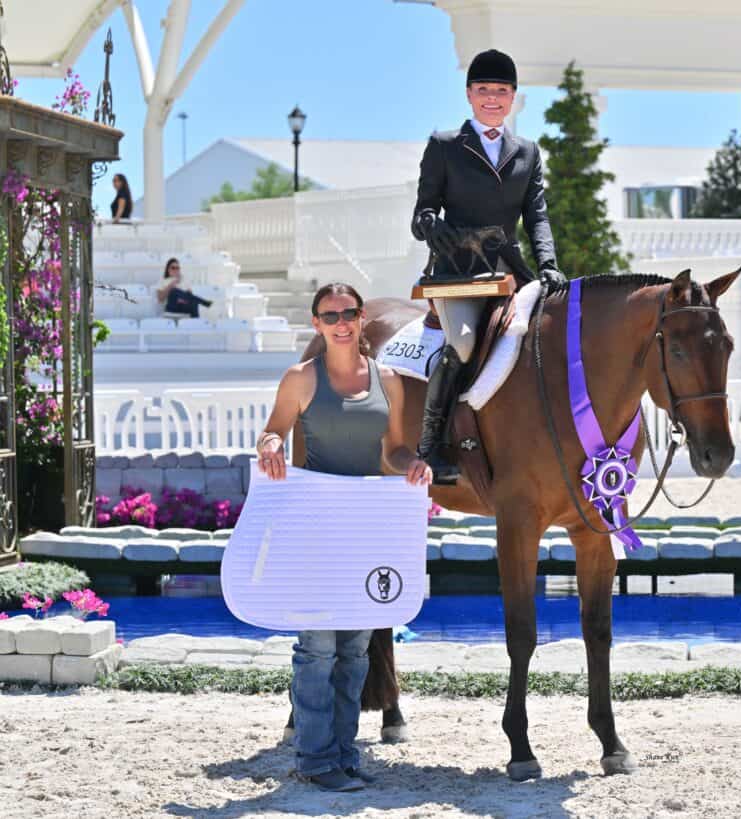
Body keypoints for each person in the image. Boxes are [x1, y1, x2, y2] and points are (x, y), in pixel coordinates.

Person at [256, 282, 432, 793]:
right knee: (316, 649)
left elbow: (395, 450)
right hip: (314, 524)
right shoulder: (300, 379)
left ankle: (346, 755)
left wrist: (413, 464)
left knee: (355, 650)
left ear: (358, 320)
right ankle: (314, 758)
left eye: (349, 313)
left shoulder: (390, 381)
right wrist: (270, 445)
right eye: (329, 314)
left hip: (365, 525)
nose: (340, 321)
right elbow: (274, 431)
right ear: (317, 323)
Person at [411, 48, 565, 485]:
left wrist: (549, 265)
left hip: (507, 270)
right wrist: (428, 224)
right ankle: (432, 443)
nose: (492, 99)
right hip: (456, 272)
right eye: (483, 91)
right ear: (469, 95)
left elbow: (536, 216)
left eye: (501, 91)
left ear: (513, 97)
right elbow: (421, 212)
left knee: (546, 339)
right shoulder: (443, 146)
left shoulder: (528, 152)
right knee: (461, 345)